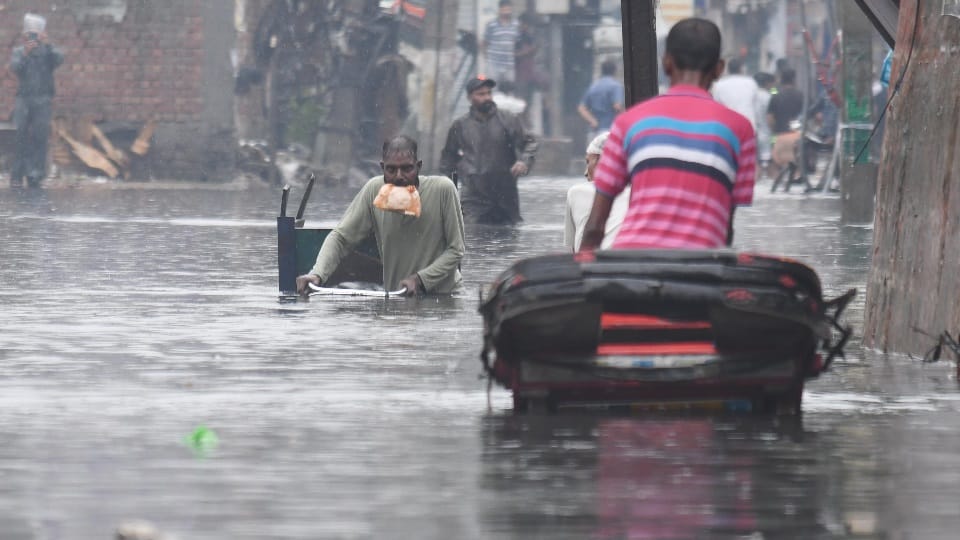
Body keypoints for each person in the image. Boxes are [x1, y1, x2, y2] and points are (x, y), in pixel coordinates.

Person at [579, 17, 756, 251]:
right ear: (719, 69)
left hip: (631, 263)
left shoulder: (628, 123)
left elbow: (594, 228)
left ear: (666, 63)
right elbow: (725, 228)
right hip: (700, 267)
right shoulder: (740, 130)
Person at [295, 136, 465, 296]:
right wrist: (317, 274)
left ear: (418, 167)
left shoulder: (443, 190)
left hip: (445, 296)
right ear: (382, 168)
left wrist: (420, 279)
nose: (399, 176)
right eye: (391, 170)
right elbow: (340, 238)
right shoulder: (373, 190)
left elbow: (456, 249)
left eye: (406, 169)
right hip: (399, 296)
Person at [440, 76, 537, 225]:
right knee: (472, 236)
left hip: (505, 194)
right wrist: (450, 191)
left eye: (488, 93)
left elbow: (530, 143)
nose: (486, 97)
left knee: (509, 237)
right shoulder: (460, 126)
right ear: (470, 97)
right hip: (474, 197)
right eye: (481, 94)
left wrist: (524, 162)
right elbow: (448, 160)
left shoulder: (508, 120)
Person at [9, 13, 64, 188]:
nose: (32, 37)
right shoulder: (19, 52)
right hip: (23, 99)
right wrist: (26, 52)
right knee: (20, 135)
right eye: (29, 33)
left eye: (36, 33)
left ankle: (36, 175)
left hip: (43, 99)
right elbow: (16, 68)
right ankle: (17, 175)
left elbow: (59, 59)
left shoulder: (48, 52)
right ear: (24, 35)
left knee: (40, 136)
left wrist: (47, 43)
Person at [563, 131, 630, 251]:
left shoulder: (577, 192)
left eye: (588, 162)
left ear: (602, 162)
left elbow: (573, 251)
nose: (585, 173)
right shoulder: (643, 195)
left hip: (595, 263)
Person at [577, 59, 624, 140]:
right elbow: (617, 106)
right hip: (609, 130)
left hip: (593, 133)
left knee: (594, 153)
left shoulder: (593, 86)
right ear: (615, 71)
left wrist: (592, 121)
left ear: (602, 71)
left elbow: (581, 108)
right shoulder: (615, 86)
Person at [710, 57, 760, 131]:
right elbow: (756, 107)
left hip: (728, 127)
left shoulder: (719, 85)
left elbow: (716, 107)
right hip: (748, 125)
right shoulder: (751, 83)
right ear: (741, 69)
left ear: (728, 70)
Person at [482, 0, 519, 84]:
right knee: (492, 89)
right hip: (494, 64)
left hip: (510, 64)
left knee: (509, 90)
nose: (507, 12)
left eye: (509, 10)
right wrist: (487, 58)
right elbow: (484, 42)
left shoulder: (516, 24)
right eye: (504, 10)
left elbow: (518, 42)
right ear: (500, 10)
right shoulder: (491, 24)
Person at [767, 68, 803, 135]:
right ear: (794, 80)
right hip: (796, 135)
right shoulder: (801, 95)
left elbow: (770, 118)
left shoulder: (775, 95)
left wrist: (774, 130)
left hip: (780, 134)